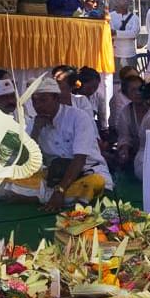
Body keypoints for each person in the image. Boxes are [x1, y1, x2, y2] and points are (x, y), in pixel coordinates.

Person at [24, 78, 111, 210]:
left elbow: (80, 160)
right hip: (54, 177)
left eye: (43, 100)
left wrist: (60, 190)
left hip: (86, 173)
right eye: (34, 101)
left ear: (56, 99)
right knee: (10, 183)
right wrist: (36, 131)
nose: (38, 106)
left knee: (95, 183)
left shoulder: (78, 117)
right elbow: (27, 160)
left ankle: (51, 196)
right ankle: (65, 198)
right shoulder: (34, 123)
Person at [108, 70, 145, 171]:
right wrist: (124, 149)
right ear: (126, 94)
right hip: (140, 156)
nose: (138, 93)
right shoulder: (125, 113)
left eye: (140, 89)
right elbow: (124, 138)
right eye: (133, 90)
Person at [110, 0, 141, 69]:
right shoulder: (110, 16)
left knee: (131, 78)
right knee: (116, 80)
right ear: (116, 1)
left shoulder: (135, 18)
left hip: (130, 54)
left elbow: (134, 34)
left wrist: (116, 33)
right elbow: (110, 34)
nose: (126, 1)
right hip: (115, 54)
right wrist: (126, 34)